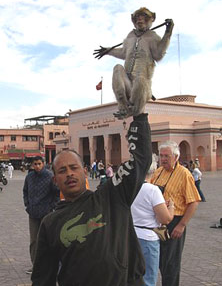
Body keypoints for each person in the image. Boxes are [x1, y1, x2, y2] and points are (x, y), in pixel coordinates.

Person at [31, 113, 152, 286]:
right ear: (55, 180)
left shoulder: (111, 196)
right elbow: (42, 277)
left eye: (74, 168)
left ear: (85, 172)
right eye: (62, 171)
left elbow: (140, 160)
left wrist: (139, 116)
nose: (70, 173)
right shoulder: (50, 223)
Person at [94, 7, 174, 119]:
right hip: (127, 82)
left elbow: (158, 54)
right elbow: (123, 52)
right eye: (137, 17)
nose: (140, 20)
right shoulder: (131, 36)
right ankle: (122, 106)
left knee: (141, 79)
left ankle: (133, 110)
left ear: (152, 19)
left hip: (141, 86)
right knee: (117, 68)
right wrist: (108, 50)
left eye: (144, 17)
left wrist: (168, 33)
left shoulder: (152, 36)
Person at [150, 141, 201, 286]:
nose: (163, 159)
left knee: (171, 264)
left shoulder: (184, 174)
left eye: (167, 156)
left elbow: (194, 202)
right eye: (161, 156)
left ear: (176, 157)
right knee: (159, 260)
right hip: (158, 223)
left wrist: (181, 225)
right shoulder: (158, 172)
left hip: (174, 224)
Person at [131, 167, 175, 286]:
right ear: (153, 170)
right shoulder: (152, 190)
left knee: (132, 276)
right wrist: (171, 208)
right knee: (148, 279)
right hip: (148, 238)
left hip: (131, 235)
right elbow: (164, 219)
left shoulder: (130, 187)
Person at [23, 156, 59, 274]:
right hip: (33, 213)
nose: (37, 166)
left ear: (43, 164)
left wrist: (52, 206)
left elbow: (56, 192)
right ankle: (36, 266)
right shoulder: (29, 177)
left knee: (47, 239)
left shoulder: (49, 176)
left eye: (39, 164)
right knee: (34, 241)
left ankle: (49, 265)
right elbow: (25, 191)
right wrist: (27, 204)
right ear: (32, 165)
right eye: (35, 164)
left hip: (46, 213)